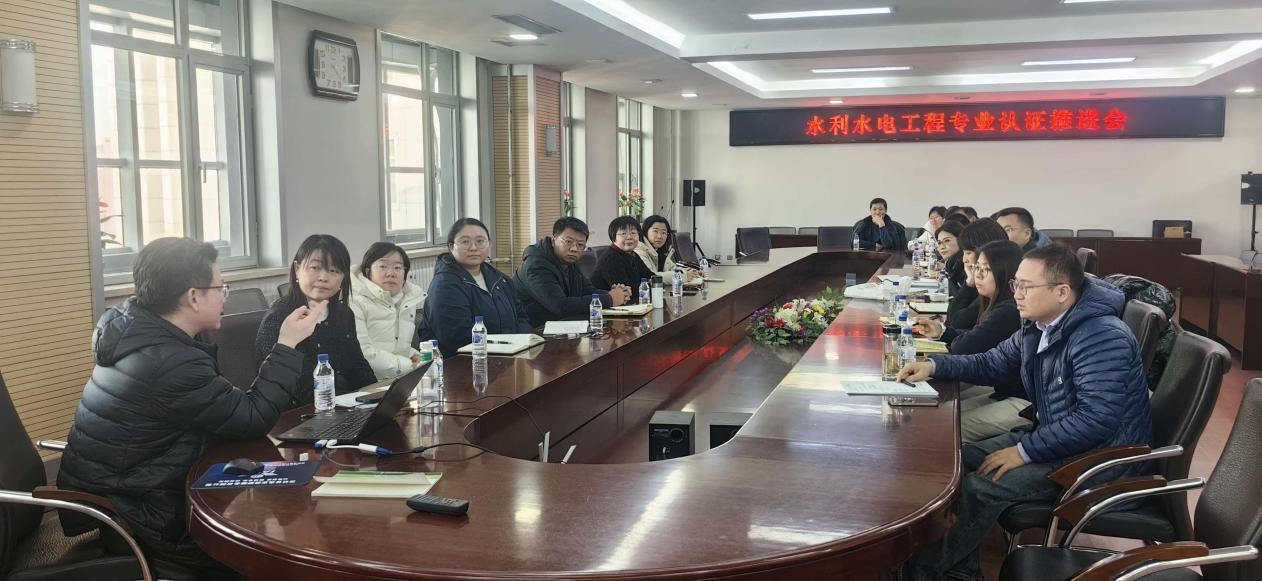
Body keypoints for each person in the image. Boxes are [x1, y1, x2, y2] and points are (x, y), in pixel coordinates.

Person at [57, 238, 324, 580]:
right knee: (274, 560)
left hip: (136, 489)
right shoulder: (168, 362)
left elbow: (225, 411)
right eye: (221, 287)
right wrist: (287, 343)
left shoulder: (140, 332)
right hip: (144, 516)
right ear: (194, 297)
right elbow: (253, 418)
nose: (225, 295)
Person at [897, 244, 1153, 580]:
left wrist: (1024, 451)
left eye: (1026, 286)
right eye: (1015, 284)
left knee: (980, 487)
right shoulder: (1040, 325)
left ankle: (923, 572)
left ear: (1062, 292)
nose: (1016, 293)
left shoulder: (1101, 336)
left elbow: (1096, 420)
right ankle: (959, 572)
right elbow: (991, 363)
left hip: (1096, 463)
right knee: (957, 460)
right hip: (1060, 442)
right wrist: (934, 366)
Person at [256, 234, 376, 404]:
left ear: (343, 277)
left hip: (344, 404)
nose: (323, 277)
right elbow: (301, 386)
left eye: (334, 270)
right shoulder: (280, 317)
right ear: (297, 269)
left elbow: (357, 365)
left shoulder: (343, 313)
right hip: (298, 411)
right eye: (315, 268)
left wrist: (376, 396)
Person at [421, 218, 534, 356]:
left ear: (490, 245)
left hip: (508, 355)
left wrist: (519, 343)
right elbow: (456, 337)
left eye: (480, 241)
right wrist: (505, 346)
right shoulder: (444, 285)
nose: (473, 248)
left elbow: (521, 317)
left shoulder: (501, 279)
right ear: (451, 247)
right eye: (465, 242)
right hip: (462, 362)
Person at [515, 217, 632, 327]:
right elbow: (560, 305)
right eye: (568, 241)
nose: (574, 249)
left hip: (563, 326)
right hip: (533, 331)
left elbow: (587, 290)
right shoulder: (536, 266)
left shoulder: (569, 261)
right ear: (553, 240)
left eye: (580, 245)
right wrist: (610, 299)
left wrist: (617, 294)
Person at [348, 242, 426, 379]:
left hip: (398, 377)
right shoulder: (354, 301)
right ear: (368, 271)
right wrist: (411, 365)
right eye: (383, 266)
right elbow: (364, 354)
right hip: (368, 381)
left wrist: (420, 358)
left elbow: (399, 347)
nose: (391, 273)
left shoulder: (405, 300)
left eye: (397, 267)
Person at [592, 216, 658, 294]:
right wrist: (650, 285)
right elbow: (625, 289)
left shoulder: (633, 255)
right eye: (623, 233)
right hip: (602, 301)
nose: (629, 237)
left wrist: (653, 282)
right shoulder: (611, 258)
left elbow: (650, 276)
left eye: (633, 233)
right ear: (613, 236)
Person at [635, 214, 701, 284]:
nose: (660, 236)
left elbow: (674, 268)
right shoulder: (639, 251)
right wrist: (684, 276)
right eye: (655, 231)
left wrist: (691, 272)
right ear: (646, 232)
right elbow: (651, 276)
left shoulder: (660, 252)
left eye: (663, 232)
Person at [932, 219, 965, 294]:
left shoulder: (963, 263)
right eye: (939, 243)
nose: (942, 247)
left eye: (947, 241)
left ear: (960, 240)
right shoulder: (952, 263)